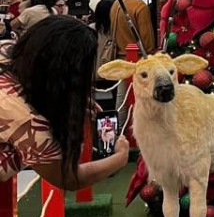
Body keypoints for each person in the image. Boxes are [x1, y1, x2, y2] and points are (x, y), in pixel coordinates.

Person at [0, 16, 129, 189]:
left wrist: (63, 100)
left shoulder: (6, 49)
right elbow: (68, 177)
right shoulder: (29, 123)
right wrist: (120, 158)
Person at [111, 0, 155, 125]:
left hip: (120, 59)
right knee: (136, 102)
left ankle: (118, 134)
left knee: (121, 101)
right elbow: (148, 44)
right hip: (137, 61)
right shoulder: (140, 6)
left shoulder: (116, 4)